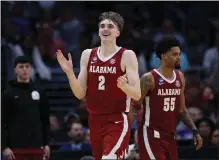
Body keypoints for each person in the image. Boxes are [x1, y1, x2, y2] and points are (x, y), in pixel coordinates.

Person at [57, 11, 141, 160]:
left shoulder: (127, 55)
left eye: (110, 26)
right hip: (94, 120)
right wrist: (69, 73)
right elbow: (80, 94)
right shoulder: (88, 54)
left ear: (118, 32)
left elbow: (137, 94)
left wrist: (125, 87)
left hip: (117, 120)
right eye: (102, 26)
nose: (105, 29)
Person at [130, 37, 203, 160]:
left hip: (170, 136)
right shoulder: (149, 78)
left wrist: (194, 130)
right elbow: (134, 107)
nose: (179, 57)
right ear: (163, 56)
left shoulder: (180, 77)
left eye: (179, 54)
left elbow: (182, 110)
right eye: (175, 54)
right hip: (151, 136)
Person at [2, 56, 50, 160]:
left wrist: (46, 143)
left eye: (27, 66)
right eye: (21, 67)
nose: (24, 69)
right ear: (15, 70)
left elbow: (45, 120)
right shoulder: (8, 93)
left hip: (37, 146)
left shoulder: (40, 91)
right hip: (16, 148)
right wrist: (4, 147)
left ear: (31, 68)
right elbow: (2, 121)